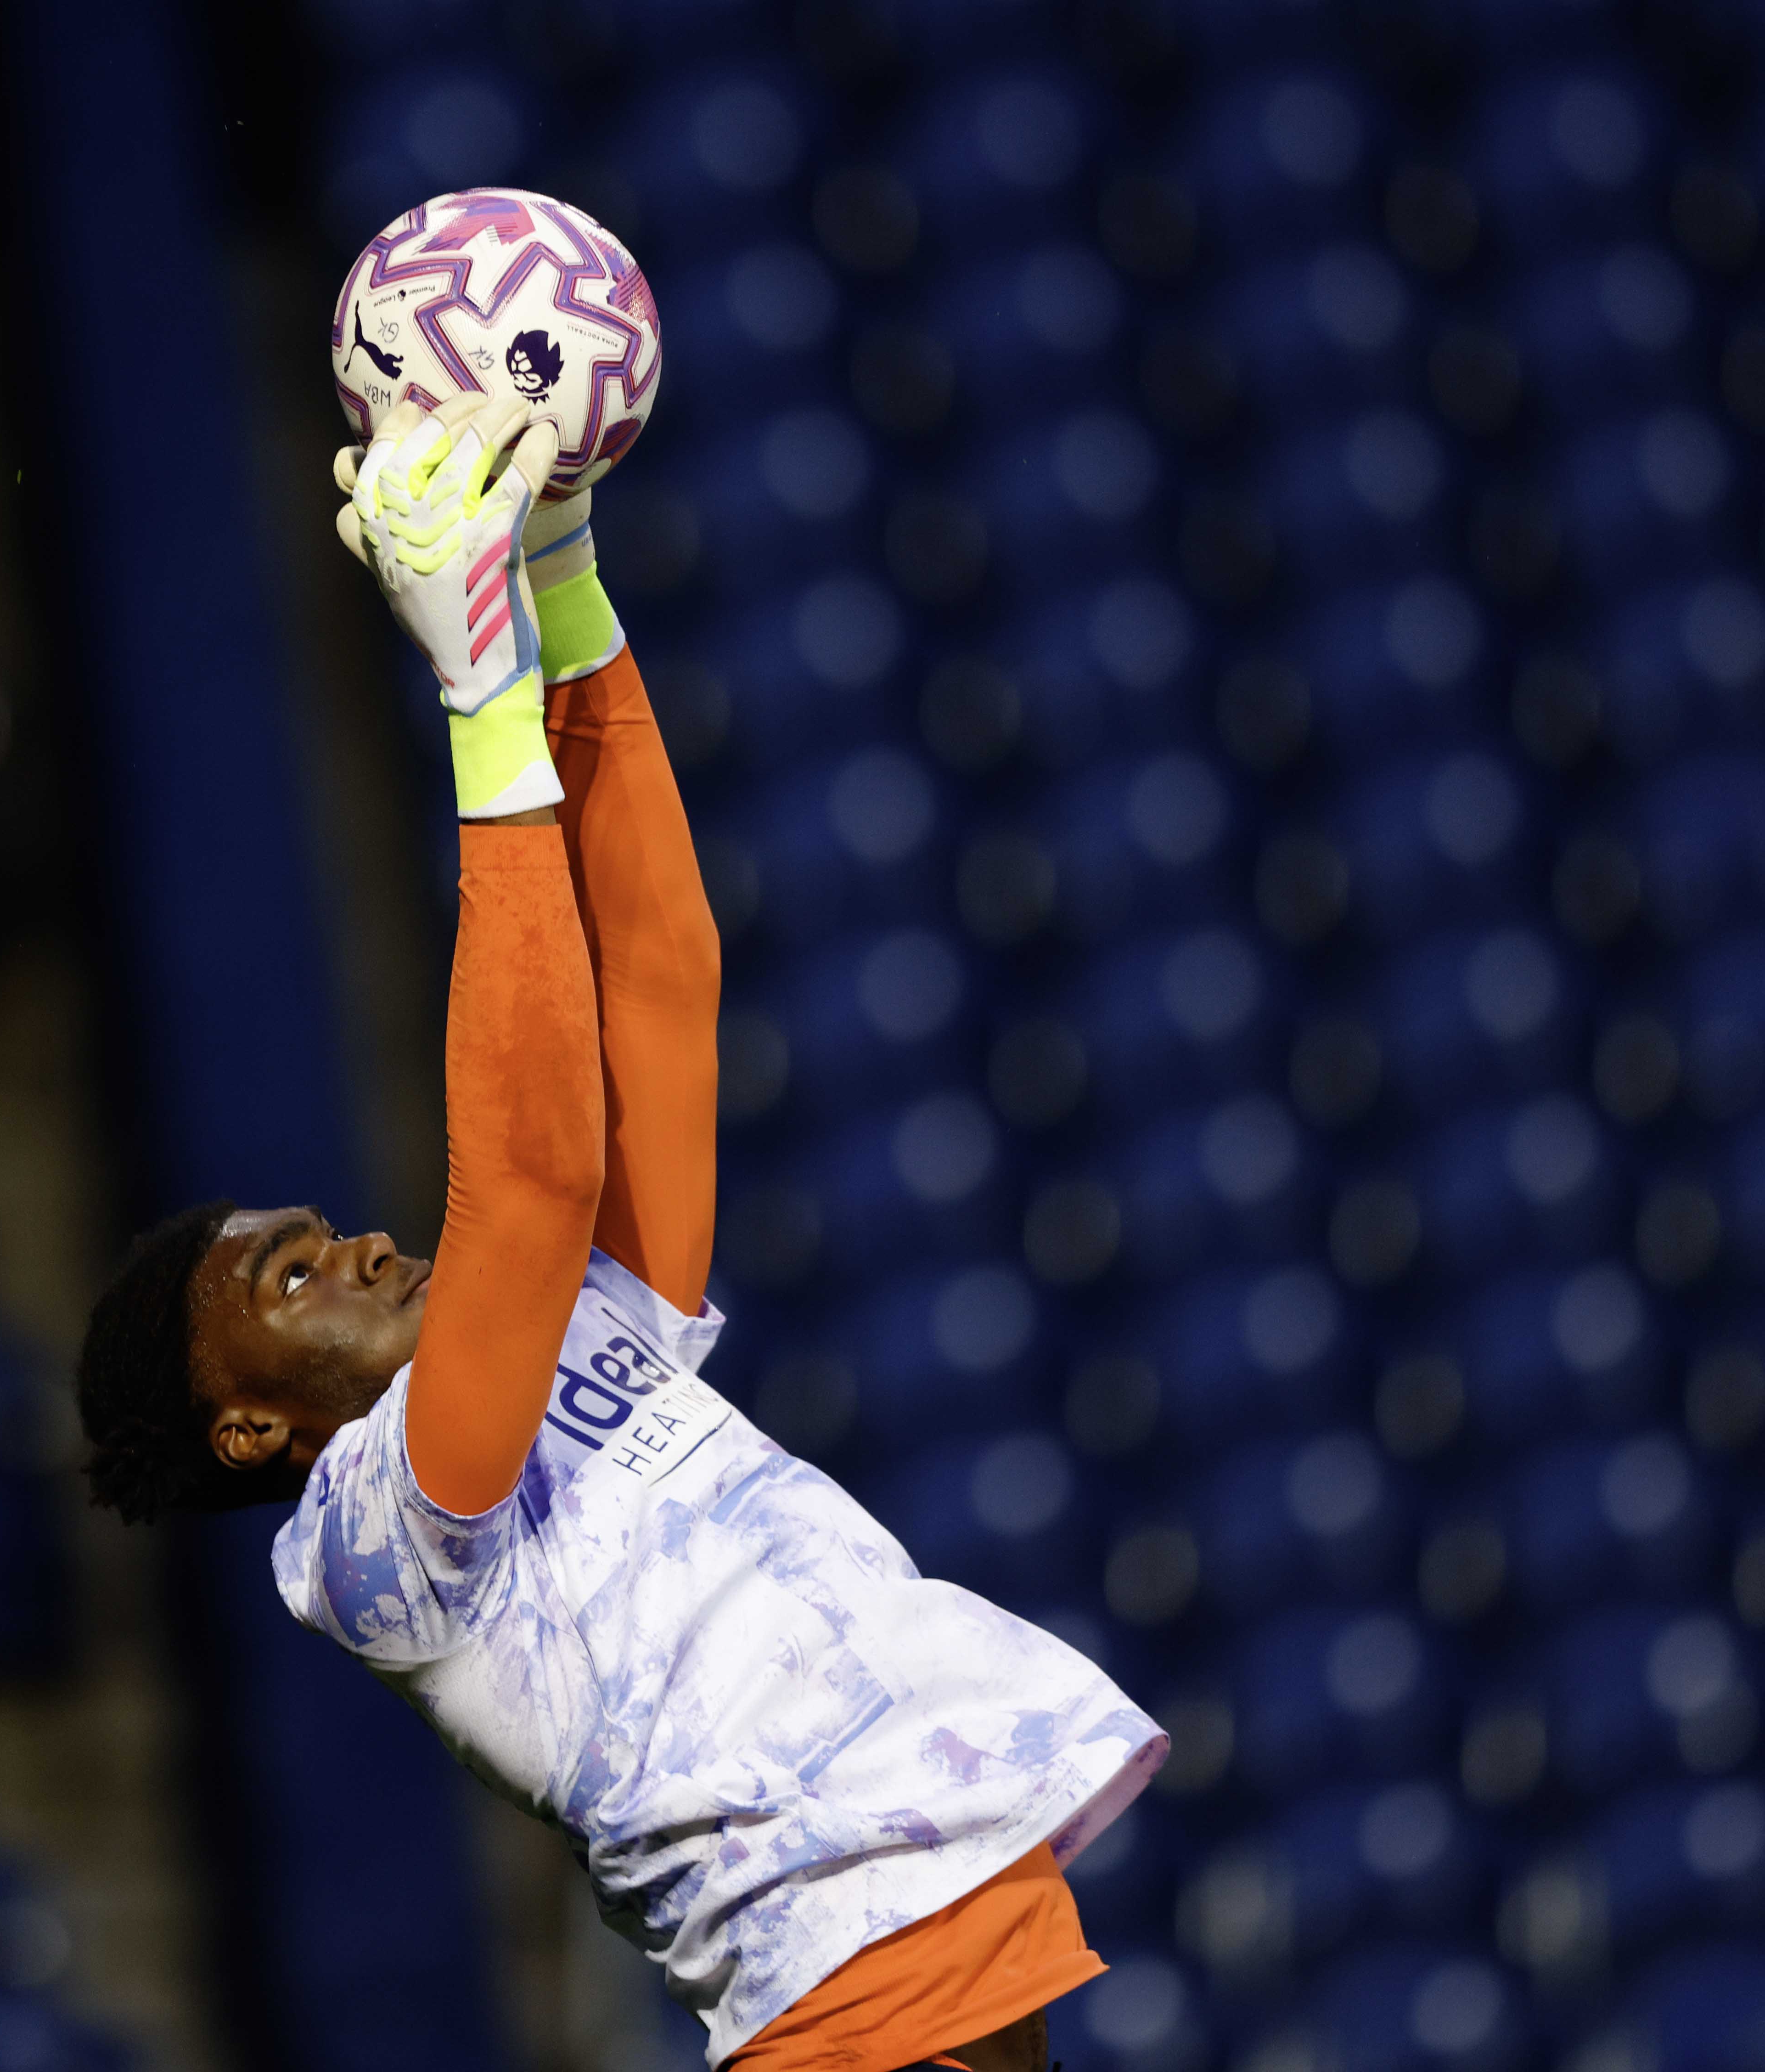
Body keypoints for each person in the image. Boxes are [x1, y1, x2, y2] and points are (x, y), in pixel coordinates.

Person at [76, 394, 1167, 2072]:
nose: (360, 1250)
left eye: (329, 1229)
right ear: (247, 1422)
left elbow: (658, 996)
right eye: (287, 1276)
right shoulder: (376, 1548)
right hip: (837, 1987)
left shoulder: (583, 1329)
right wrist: (478, 704)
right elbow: (520, 1178)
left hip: (910, 1945)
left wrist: (571, 589)